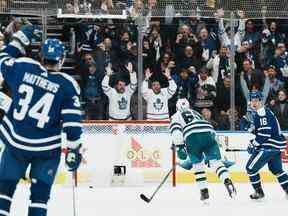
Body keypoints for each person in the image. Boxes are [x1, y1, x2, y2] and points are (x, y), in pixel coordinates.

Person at [0, 25, 83, 216]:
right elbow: (72, 125)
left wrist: (20, 39)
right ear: (61, 60)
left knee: (4, 193)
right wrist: (73, 149)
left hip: (15, 144)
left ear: (40, 56)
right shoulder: (67, 84)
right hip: (45, 150)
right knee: (39, 198)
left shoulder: (23, 67)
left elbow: (3, 58)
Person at [169, 98, 236, 202]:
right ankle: (227, 180)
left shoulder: (176, 116)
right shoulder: (195, 113)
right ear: (188, 106)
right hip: (208, 131)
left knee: (198, 165)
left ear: (177, 107)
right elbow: (208, 128)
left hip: (192, 136)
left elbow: (176, 132)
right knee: (216, 163)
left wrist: (180, 146)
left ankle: (204, 192)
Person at [245, 91, 288, 200]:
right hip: (276, 146)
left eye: (256, 100)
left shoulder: (261, 112)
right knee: (276, 170)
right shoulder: (261, 112)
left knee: (250, 168)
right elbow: (263, 132)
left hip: (269, 146)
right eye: (252, 100)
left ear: (261, 101)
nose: (254, 103)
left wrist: (253, 144)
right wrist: (251, 129)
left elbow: (265, 134)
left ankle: (259, 192)